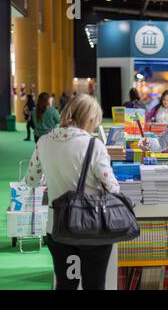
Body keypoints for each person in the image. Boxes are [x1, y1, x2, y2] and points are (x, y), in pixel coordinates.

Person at [25, 94, 120, 290]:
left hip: (58, 226)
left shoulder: (43, 141)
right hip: (92, 228)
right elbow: (113, 188)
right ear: (91, 118)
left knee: (66, 284)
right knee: (94, 285)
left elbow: (31, 181)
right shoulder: (94, 146)